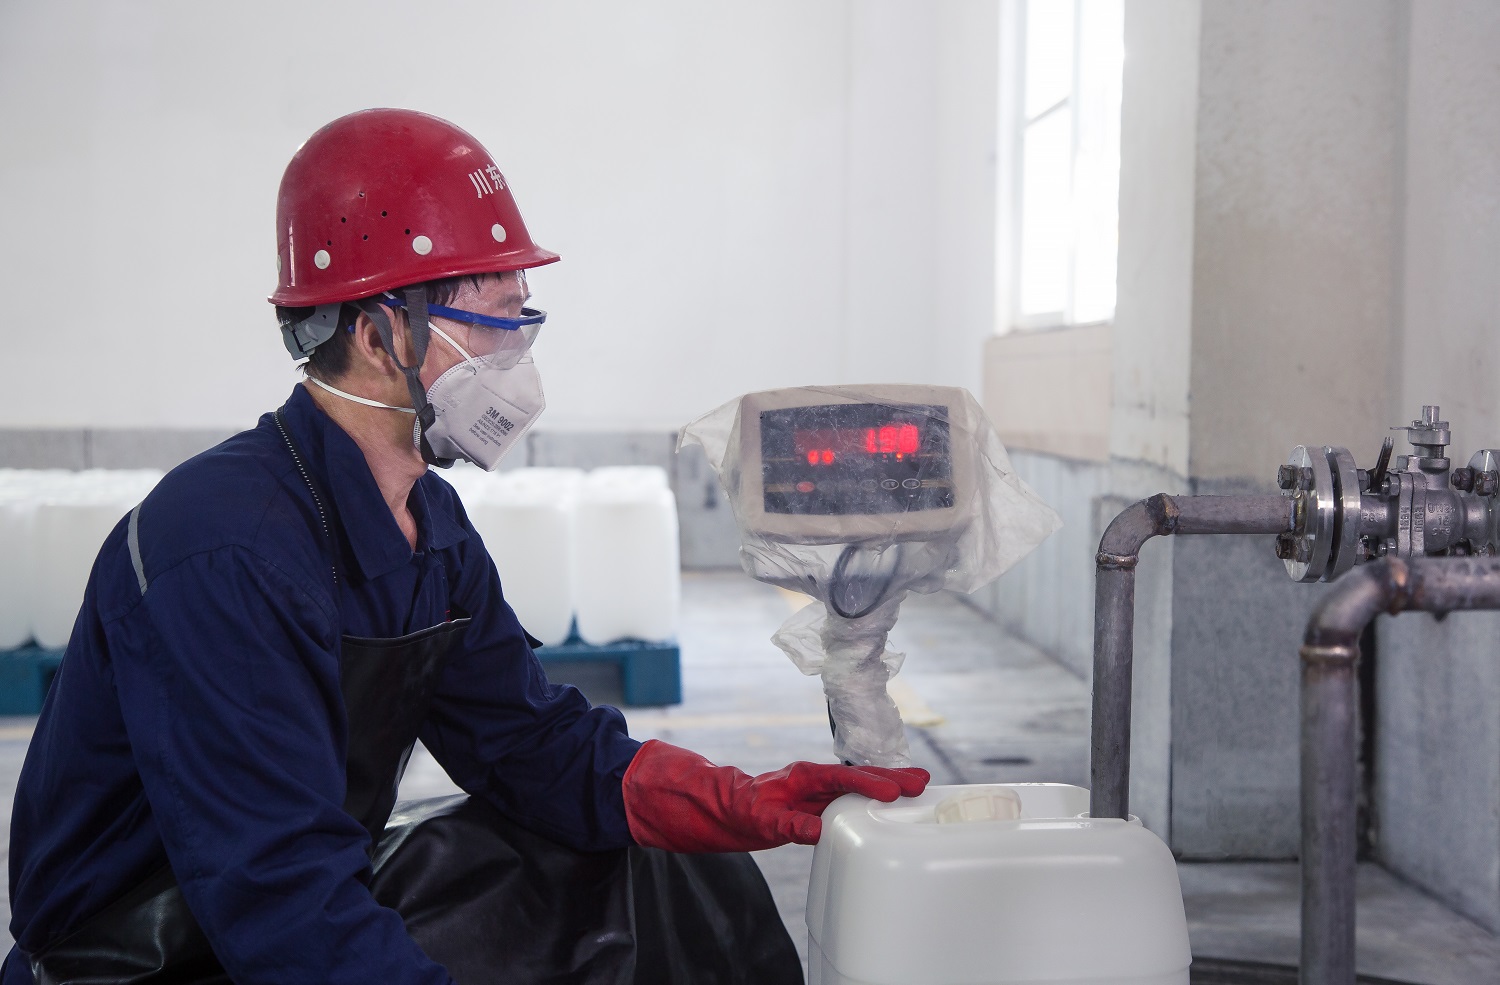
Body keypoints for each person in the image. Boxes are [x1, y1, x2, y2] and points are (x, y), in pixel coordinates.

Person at [2, 108, 929, 985]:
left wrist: (725, 800)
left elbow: (529, 744)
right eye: (498, 319)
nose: (519, 356)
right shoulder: (225, 548)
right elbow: (278, 892)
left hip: (281, 901)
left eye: (527, 319)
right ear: (381, 334)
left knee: (664, 865)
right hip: (149, 952)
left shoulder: (427, 526)